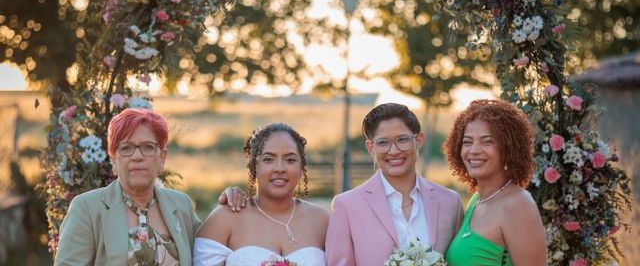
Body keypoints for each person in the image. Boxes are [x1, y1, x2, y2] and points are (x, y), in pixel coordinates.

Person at [54, 108, 201, 266]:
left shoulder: (181, 205)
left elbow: (215, 249)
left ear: (162, 159)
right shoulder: (86, 209)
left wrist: (229, 201)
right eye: (126, 148)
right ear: (114, 161)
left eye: (148, 147)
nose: (137, 156)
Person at [325, 103, 464, 265]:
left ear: (418, 140)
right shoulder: (347, 205)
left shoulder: (450, 202)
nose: (394, 151)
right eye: (383, 142)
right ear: (371, 147)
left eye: (403, 139)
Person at [193, 122, 329, 266]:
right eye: (268, 159)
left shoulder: (323, 220)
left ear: (301, 167)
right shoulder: (224, 219)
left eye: (290, 160)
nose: (279, 168)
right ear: (253, 166)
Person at [443, 99, 547, 265]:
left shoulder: (518, 204)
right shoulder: (476, 201)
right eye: (467, 142)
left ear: (508, 148)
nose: (474, 150)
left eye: (487, 141)